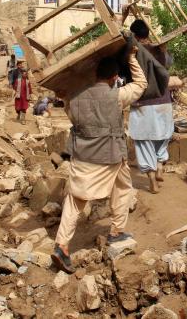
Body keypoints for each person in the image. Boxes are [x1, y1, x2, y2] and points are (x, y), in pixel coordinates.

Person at [51, 48, 147, 274]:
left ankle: (62, 245)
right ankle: (115, 231)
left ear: (95, 75)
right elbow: (141, 83)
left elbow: (69, 108)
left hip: (83, 157)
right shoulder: (117, 96)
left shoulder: (73, 100)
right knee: (123, 189)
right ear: (114, 77)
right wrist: (132, 58)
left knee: (76, 200)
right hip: (111, 156)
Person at [128, 19, 173, 194]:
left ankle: (152, 180)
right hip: (164, 101)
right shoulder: (162, 51)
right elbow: (168, 65)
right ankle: (160, 163)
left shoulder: (132, 53)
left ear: (134, 35)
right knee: (163, 135)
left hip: (143, 103)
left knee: (143, 140)